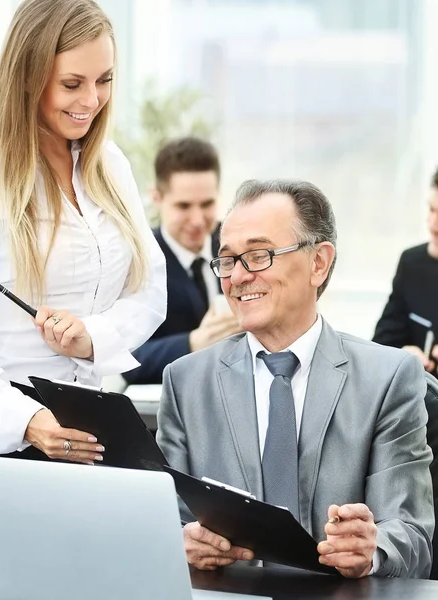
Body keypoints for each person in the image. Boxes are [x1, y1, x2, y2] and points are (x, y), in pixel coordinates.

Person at [0, 0, 166, 544]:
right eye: (72, 83)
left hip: (86, 426)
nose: (91, 101)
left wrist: (91, 338)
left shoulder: (112, 166)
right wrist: (27, 420)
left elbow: (152, 291)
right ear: (29, 77)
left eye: (104, 80)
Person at [157, 179, 434, 578]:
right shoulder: (185, 382)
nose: (237, 276)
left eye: (258, 255)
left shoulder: (387, 379)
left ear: (318, 263)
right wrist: (184, 539)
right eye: (228, 260)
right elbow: (165, 520)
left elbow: (411, 534)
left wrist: (371, 549)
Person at [124, 137, 240, 385]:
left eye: (207, 204)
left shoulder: (240, 245)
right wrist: (193, 343)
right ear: (156, 198)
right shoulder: (139, 260)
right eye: (184, 206)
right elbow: (129, 359)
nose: (197, 220)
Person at [373, 167, 438, 374]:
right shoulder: (412, 263)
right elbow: (379, 345)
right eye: (431, 209)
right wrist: (402, 354)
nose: (433, 225)